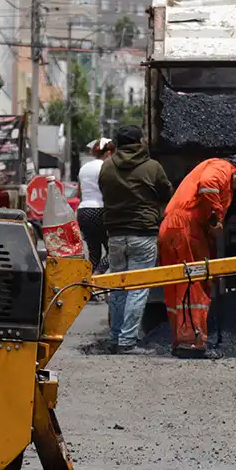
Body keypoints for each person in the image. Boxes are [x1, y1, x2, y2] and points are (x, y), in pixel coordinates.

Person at [157, 155, 236, 359]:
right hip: (185, 227)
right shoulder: (221, 167)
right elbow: (208, 184)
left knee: (177, 284)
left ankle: (180, 340)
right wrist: (217, 216)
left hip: (172, 226)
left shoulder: (208, 166)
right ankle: (192, 343)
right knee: (193, 282)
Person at [98, 125, 172, 354]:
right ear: (140, 141)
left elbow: (104, 191)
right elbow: (166, 193)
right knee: (138, 288)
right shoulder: (152, 167)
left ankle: (114, 336)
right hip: (143, 233)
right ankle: (127, 341)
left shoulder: (107, 166)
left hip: (115, 235)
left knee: (118, 288)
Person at [77, 138, 113, 275]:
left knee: (93, 253)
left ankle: (87, 284)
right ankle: (96, 275)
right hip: (100, 210)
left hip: (83, 211)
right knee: (113, 251)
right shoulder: (106, 167)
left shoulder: (84, 167)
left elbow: (79, 192)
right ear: (109, 153)